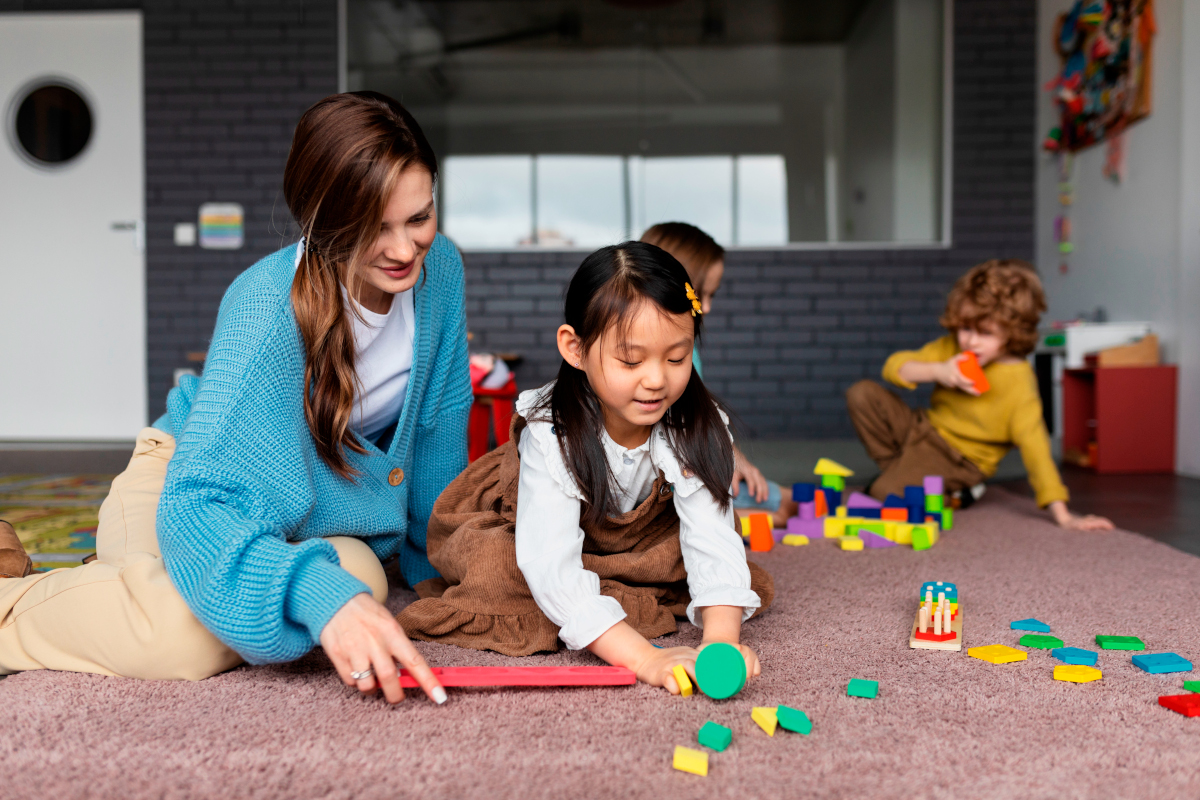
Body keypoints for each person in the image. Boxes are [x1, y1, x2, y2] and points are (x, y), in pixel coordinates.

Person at [0, 92, 469, 704]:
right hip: (185, 484)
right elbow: (199, 504)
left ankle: (118, 582)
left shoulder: (444, 275)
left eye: (419, 217)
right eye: (374, 228)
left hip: (310, 520)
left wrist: (437, 575)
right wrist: (313, 596)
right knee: (175, 636)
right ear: (322, 220)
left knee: (356, 581)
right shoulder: (266, 310)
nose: (406, 250)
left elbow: (436, 428)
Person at [397, 242, 773, 693]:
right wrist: (645, 659)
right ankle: (609, 604)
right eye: (631, 360)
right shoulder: (553, 432)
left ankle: (607, 590)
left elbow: (711, 539)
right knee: (500, 566)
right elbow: (550, 562)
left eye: (677, 358)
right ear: (575, 349)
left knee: (702, 562)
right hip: (530, 527)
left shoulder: (693, 422)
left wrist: (720, 643)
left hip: (637, 539)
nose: (656, 379)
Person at [845, 259, 1113, 531]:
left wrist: (1063, 515)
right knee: (862, 393)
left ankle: (929, 486)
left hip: (959, 459)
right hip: (923, 428)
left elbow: (1037, 450)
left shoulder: (1018, 382)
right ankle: (913, 479)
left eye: (985, 332)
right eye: (965, 328)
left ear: (1012, 332)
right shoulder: (953, 350)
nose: (971, 341)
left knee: (881, 494)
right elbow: (895, 367)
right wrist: (939, 371)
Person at [640, 222, 797, 527]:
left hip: (689, 463)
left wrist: (733, 456)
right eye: (700, 295)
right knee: (783, 505)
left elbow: (696, 414)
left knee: (786, 501)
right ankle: (733, 519)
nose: (707, 307)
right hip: (665, 476)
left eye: (710, 295)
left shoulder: (687, 347)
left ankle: (739, 516)